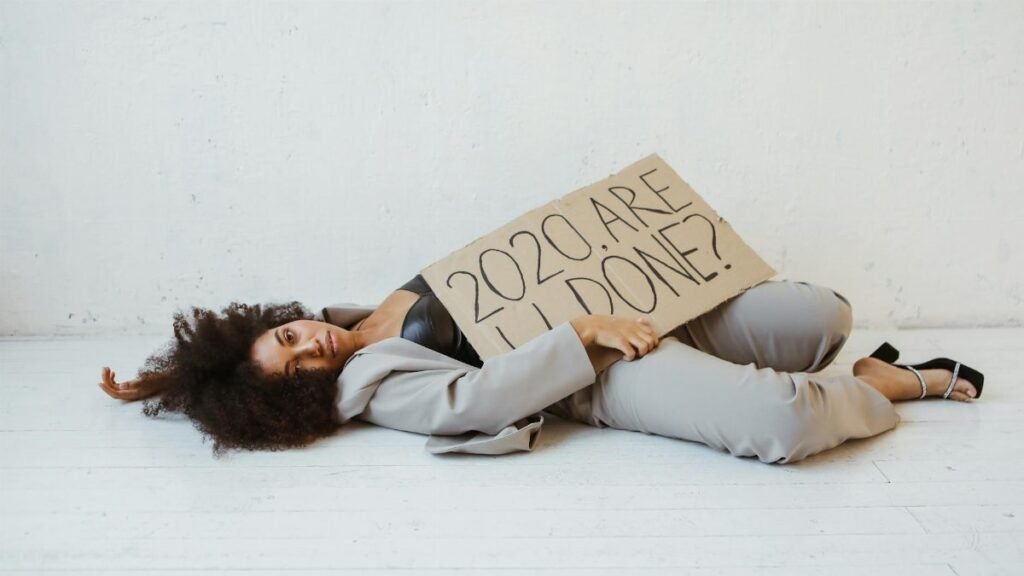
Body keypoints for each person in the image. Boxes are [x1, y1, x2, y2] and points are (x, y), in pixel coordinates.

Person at [98, 274, 984, 462]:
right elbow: (476, 396)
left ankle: (841, 350)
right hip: (591, 370)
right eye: (292, 367)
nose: (307, 348)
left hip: (625, 310)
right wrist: (586, 333)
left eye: (287, 335)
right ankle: (883, 382)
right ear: (295, 400)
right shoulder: (375, 387)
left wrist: (169, 380)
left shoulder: (343, 317)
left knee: (817, 311)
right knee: (782, 422)